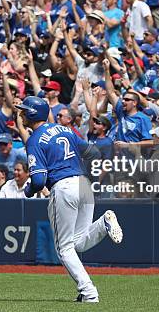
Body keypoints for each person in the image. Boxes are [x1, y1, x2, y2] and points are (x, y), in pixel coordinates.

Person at [15, 96, 122, 302]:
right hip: (83, 183)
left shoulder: (35, 139)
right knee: (78, 243)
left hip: (64, 187)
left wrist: (28, 190)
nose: (20, 113)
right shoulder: (64, 130)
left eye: (23, 110)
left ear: (30, 114)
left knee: (64, 248)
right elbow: (93, 152)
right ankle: (104, 223)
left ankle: (89, 293)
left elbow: (38, 180)